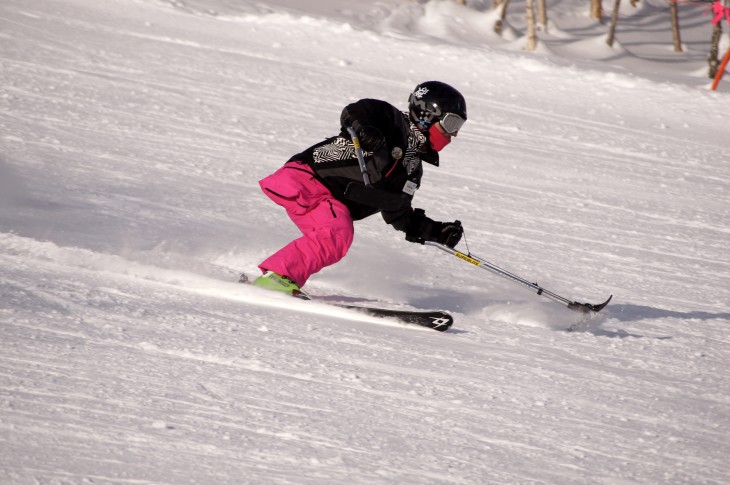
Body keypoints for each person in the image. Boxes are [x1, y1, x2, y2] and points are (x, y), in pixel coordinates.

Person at [252, 81, 467, 298]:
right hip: (307, 178)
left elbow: (398, 212)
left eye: (458, 127)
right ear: (427, 114)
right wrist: (365, 129)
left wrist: (435, 232)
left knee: (334, 236)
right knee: (336, 234)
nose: (454, 134)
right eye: (451, 123)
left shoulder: (412, 170)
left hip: (327, 198)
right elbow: (356, 111)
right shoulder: (390, 120)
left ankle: (280, 277)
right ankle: (277, 277)